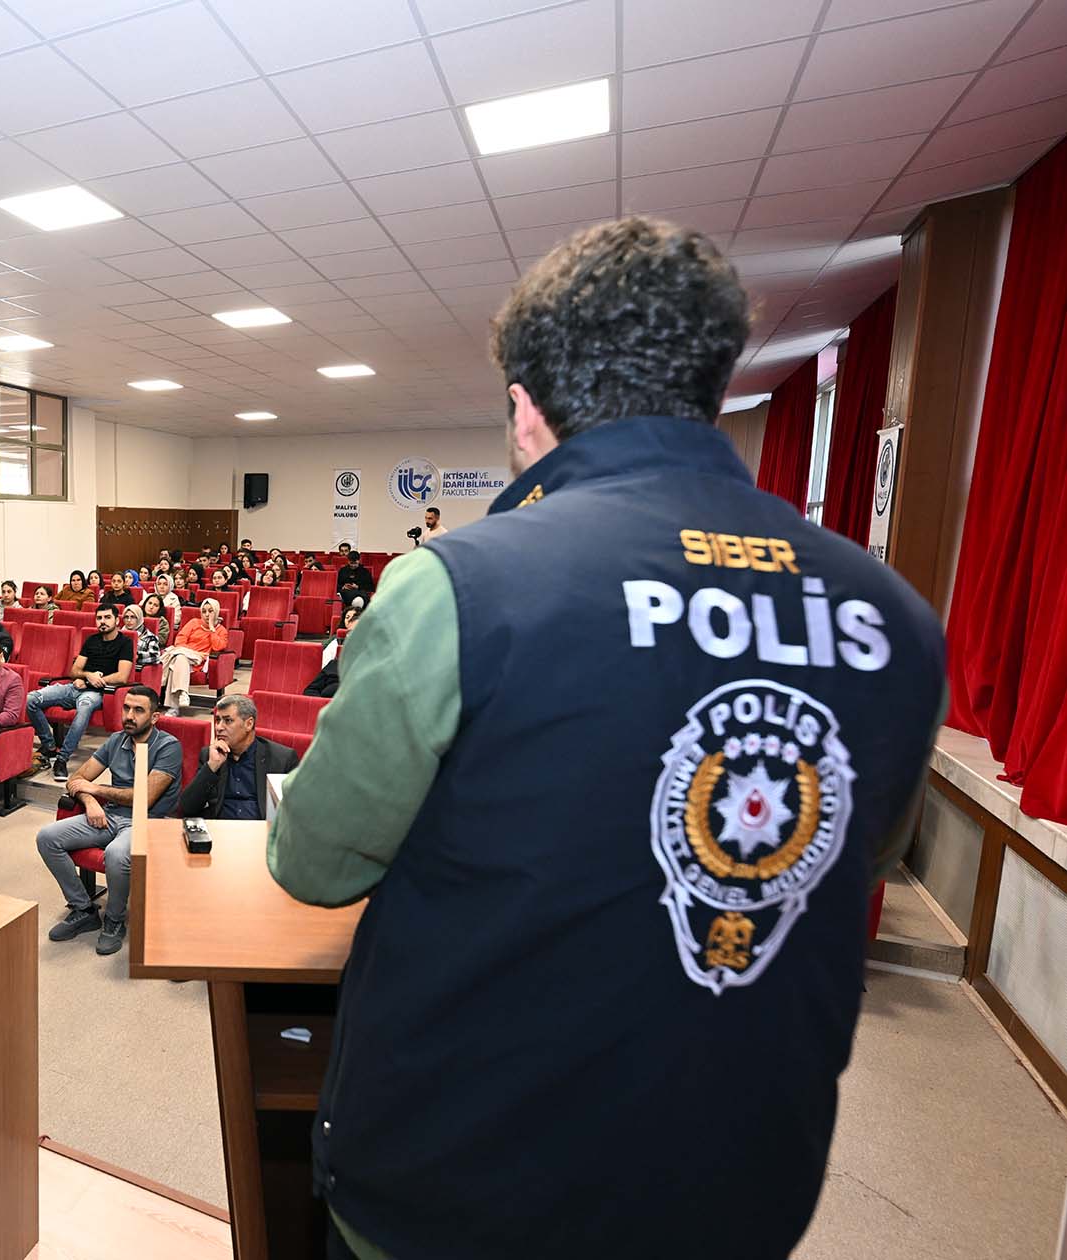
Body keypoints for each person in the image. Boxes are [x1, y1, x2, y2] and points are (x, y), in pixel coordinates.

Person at [268, 217, 948, 1260]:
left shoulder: (460, 589)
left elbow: (314, 865)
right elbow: (864, 857)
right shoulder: (895, 615)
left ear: (525, 411)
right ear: (711, 390)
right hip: (735, 1182)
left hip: (462, 1182)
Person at [35, 685, 182, 957]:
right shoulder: (117, 740)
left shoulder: (168, 747)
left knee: (116, 854)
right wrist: (90, 802)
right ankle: (83, 909)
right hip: (111, 816)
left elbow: (145, 798)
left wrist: (97, 790)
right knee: (47, 837)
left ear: (154, 717)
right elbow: (76, 779)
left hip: (149, 822)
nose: (129, 715)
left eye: (138, 710)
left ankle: (114, 919)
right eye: (126, 708)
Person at [27, 603, 134, 780]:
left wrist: (96, 680)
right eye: (99, 618)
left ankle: (62, 759)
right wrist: (86, 676)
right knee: (31, 699)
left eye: (107, 617)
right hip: (75, 686)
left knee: (84, 708)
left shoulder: (125, 643)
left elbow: (122, 676)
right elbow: (74, 671)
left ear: (117, 620)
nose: (103, 622)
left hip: (97, 693)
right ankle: (49, 745)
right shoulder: (91, 640)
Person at [178, 694, 298, 821]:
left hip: (260, 832)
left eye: (228, 720)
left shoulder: (281, 758)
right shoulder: (210, 755)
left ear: (249, 724)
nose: (219, 727)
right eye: (218, 720)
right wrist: (211, 767)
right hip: (220, 830)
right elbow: (187, 808)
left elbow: (298, 813)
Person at [161, 597, 228, 710]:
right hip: (186, 655)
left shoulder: (221, 630)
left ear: (216, 611)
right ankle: (182, 694)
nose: (207, 614)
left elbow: (218, 647)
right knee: (180, 659)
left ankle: (173, 708)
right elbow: (179, 641)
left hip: (200, 661)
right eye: (204, 611)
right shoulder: (193, 623)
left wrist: (212, 628)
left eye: (210, 611)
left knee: (177, 658)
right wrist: (191, 652)